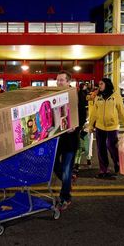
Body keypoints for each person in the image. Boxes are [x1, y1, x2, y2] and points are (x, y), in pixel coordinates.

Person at [54, 71, 87, 211]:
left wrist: (76, 127)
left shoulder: (77, 95)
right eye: (57, 80)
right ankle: (67, 182)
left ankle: (65, 197)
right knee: (54, 165)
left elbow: (82, 115)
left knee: (67, 169)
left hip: (70, 139)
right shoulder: (53, 96)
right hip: (56, 139)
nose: (59, 82)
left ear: (68, 82)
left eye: (62, 80)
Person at [88, 78, 124, 178]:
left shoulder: (116, 96)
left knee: (111, 146)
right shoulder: (98, 97)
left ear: (107, 84)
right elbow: (93, 113)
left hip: (112, 126)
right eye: (99, 84)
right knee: (100, 149)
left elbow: (122, 111)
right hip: (99, 126)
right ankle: (103, 170)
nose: (99, 86)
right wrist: (90, 125)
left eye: (101, 84)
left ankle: (117, 162)